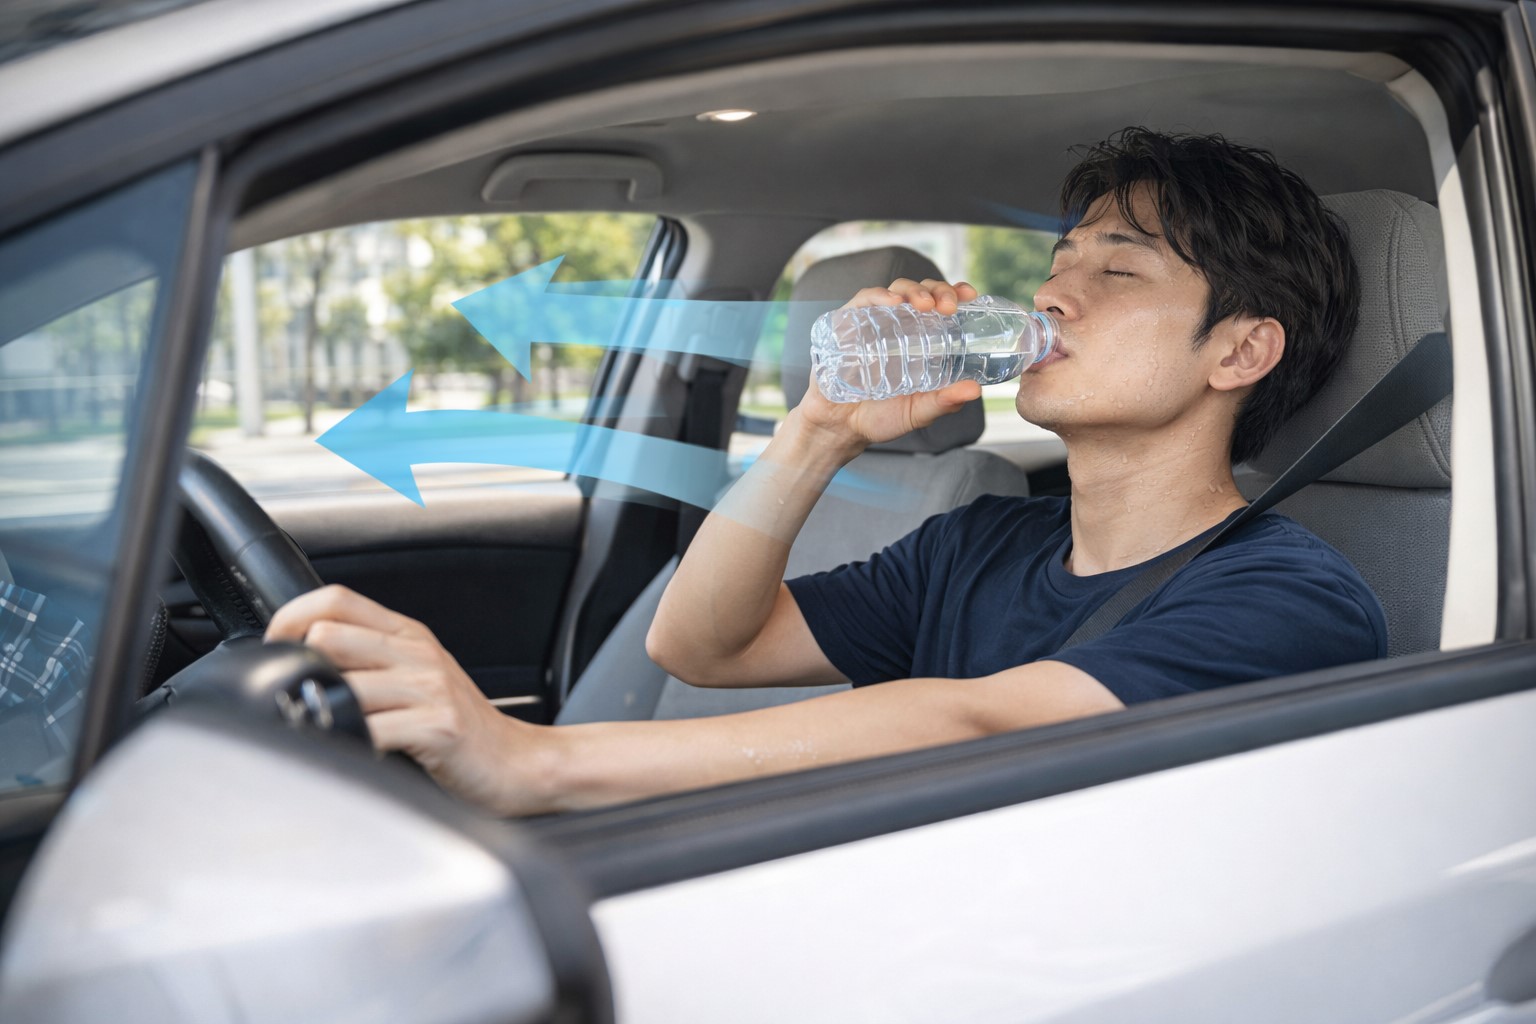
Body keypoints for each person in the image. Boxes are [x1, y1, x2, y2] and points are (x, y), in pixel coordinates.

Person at [266, 128, 1386, 817]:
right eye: (1059, 261)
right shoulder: (982, 541)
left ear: (1241, 350)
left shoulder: (1289, 599)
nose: (1052, 295)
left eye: (1118, 269)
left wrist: (532, 760)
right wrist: (819, 431)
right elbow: (699, 646)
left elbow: (982, 726)